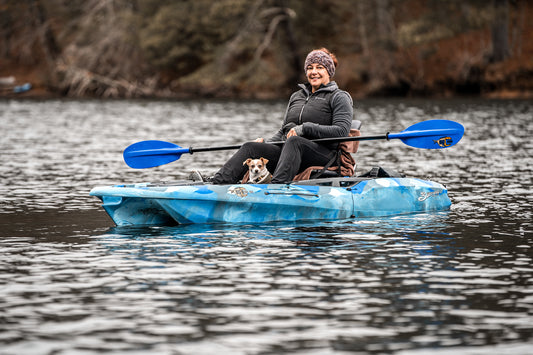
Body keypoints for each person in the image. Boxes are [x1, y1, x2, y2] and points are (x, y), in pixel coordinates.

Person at [210, 47, 353, 184]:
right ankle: (217, 183)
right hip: (290, 151)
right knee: (251, 147)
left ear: (329, 71)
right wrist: (266, 144)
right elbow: (284, 130)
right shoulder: (297, 96)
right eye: (310, 68)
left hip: (324, 154)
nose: (313, 72)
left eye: (319, 68)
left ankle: (276, 186)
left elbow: (341, 131)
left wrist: (305, 129)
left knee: (294, 141)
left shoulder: (339, 97)